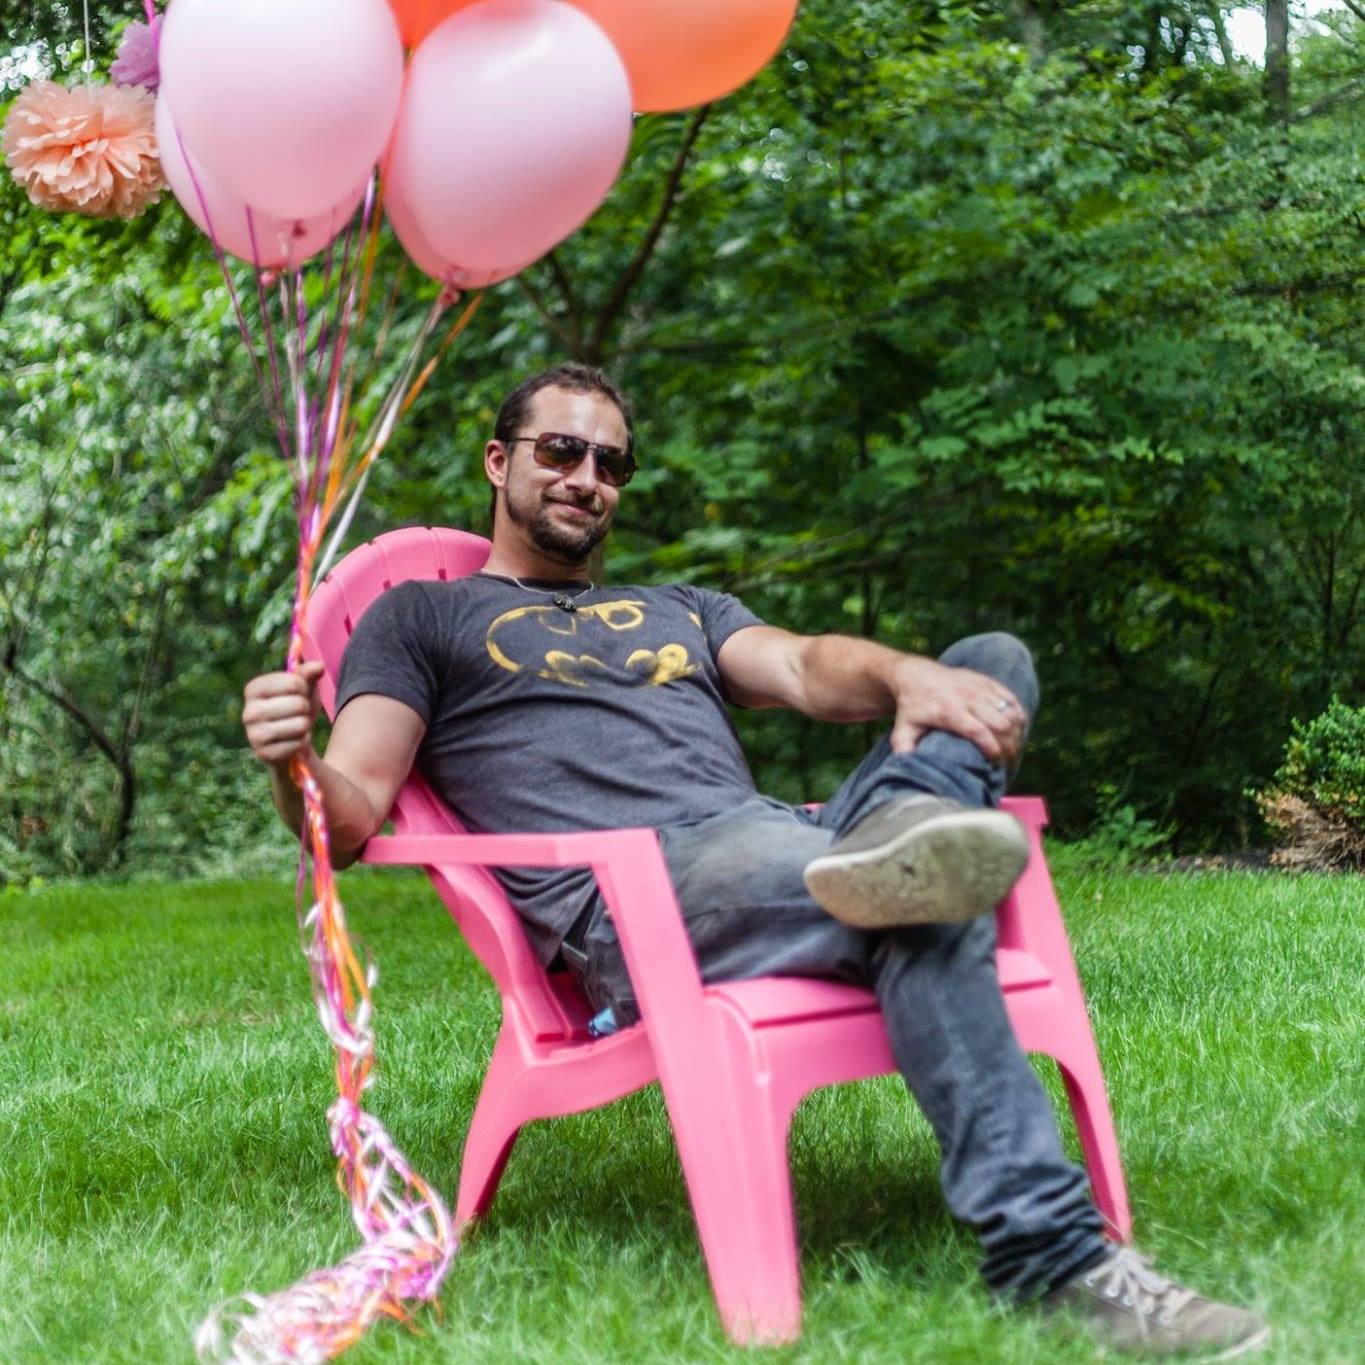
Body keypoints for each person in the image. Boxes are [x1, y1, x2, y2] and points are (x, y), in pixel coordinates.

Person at [243, 363, 1268, 1358]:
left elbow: (810, 666)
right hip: (642, 896)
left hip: (785, 843)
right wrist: (292, 760)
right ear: (497, 461)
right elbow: (355, 810)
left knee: (989, 662)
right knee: (922, 889)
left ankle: (897, 847)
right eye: (560, 451)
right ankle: (1053, 1258)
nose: (585, 478)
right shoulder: (421, 617)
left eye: (609, 464)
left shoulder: (679, 606)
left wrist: (912, 676)